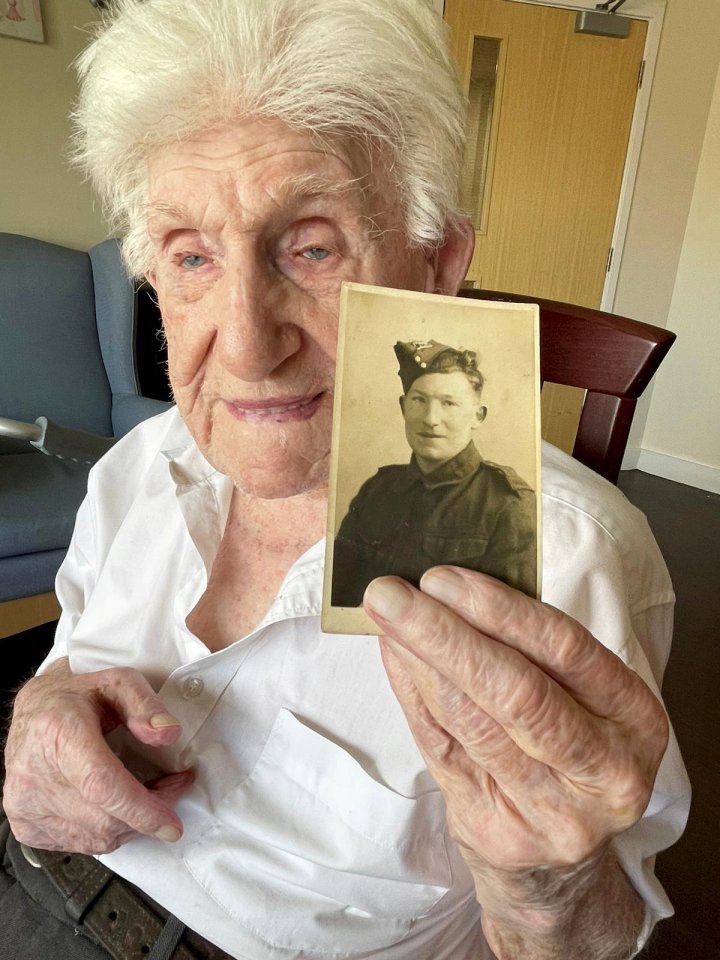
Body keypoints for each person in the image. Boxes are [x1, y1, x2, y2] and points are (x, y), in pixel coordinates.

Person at [1, 1, 689, 959]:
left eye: (312, 246)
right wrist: (37, 719)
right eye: (192, 256)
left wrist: (547, 891)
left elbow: (594, 935)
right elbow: (65, 662)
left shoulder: (570, 559)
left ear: (437, 264)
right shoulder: (136, 468)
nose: (245, 347)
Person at [331, 339, 536, 606]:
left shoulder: (508, 504)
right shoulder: (378, 488)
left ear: (478, 416)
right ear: (403, 407)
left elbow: (511, 618)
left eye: (448, 403)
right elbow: (338, 599)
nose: (430, 419)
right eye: (419, 400)